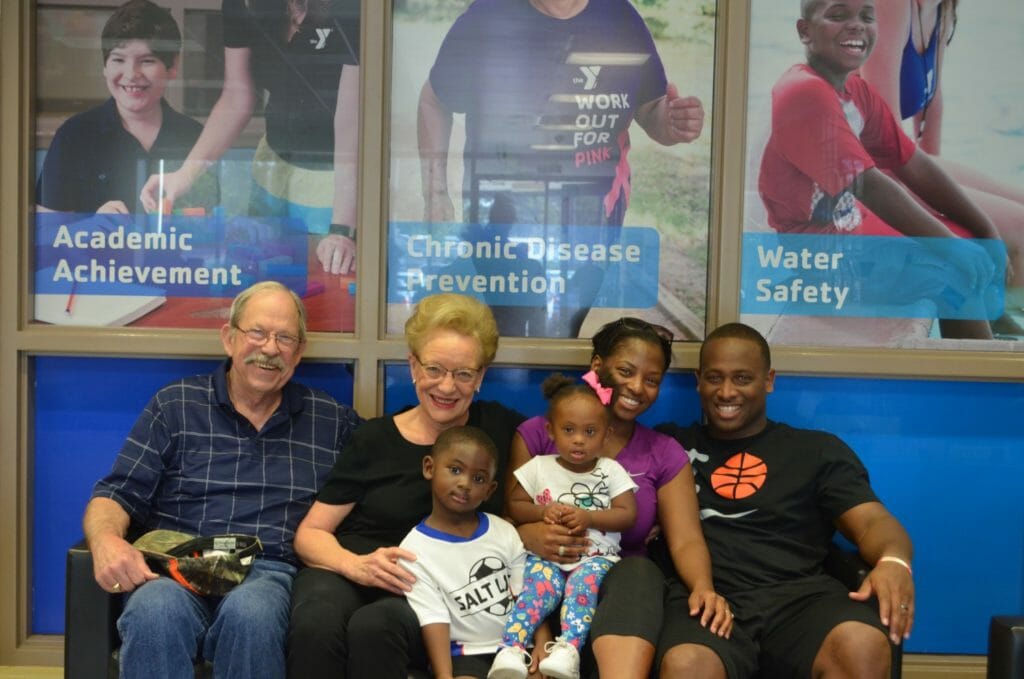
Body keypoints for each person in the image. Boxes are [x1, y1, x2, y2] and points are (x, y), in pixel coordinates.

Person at [81, 280, 361, 678]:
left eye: (284, 338)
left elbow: (384, 458)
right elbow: (116, 493)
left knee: (253, 614)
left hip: (266, 570)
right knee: (152, 612)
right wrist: (106, 540)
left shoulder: (329, 419)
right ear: (229, 338)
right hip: (176, 566)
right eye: (258, 332)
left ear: (298, 353)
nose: (269, 348)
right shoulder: (175, 405)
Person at [417, 0, 705, 337]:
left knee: (562, 330)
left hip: (592, 219)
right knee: (512, 328)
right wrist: (435, 194)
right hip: (503, 217)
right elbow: (433, 101)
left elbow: (651, 109)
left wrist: (671, 123)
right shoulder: (487, 17)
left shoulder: (620, 18)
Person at [655, 321, 915, 678]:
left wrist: (894, 561)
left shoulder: (815, 450)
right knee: (687, 665)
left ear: (769, 380)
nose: (726, 391)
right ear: (699, 380)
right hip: (704, 601)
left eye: (743, 378)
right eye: (715, 378)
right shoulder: (668, 447)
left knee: (861, 644)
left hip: (798, 599)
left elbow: (872, 521)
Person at [288, 293, 526, 678]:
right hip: (353, 568)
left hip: (431, 588)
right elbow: (311, 534)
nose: (447, 387)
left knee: (377, 626)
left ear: (481, 376)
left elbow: (568, 452)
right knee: (316, 623)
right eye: (434, 369)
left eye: (463, 373)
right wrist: (357, 566)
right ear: (413, 366)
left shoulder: (501, 431)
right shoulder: (375, 439)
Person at [758, 0, 1013, 340]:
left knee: (965, 246)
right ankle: (983, 383)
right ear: (805, 31)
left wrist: (986, 229)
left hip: (848, 237)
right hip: (819, 261)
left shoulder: (855, 91)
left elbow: (914, 164)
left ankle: (991, 347)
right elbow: (870, 186)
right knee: (953, 274)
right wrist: (954, 249)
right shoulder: (804, 92)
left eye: (866, 17)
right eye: (837, 16)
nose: (856, 25)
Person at [510, 318, 732, 679]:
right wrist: (527, 534)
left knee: (639, 570)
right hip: (539, 587)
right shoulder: (540, 433)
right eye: (625, 371)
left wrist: (703, 587)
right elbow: (507, 519)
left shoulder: (662, 452)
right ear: (597, 366)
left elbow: (687, 538)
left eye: (652, 380)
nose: (637, 387)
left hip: (621, 599)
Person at [139, 0, 361, 276]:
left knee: (324, 288)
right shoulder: (242, 4)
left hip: (339, 179)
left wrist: (342, 228)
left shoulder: (351, 7)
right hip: (272, 168)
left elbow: (354, 117)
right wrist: (184, 174)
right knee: (263, 284)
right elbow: (237, 95)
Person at [859, 0, 1024, 334]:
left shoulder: (942, 6)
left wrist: (944, 192)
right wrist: (945, 204)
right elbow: (884, 144)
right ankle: (1000, 329)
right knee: (1019, 229)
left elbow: (932, 104)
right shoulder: (892, 5)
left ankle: (998, 319)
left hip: (899, 163)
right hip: (865, 174)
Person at [491, 373, 637, 679]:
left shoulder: (611, 470)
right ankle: (512, 649)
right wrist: (543, 512)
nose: (579, 439)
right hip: (545, 557)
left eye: (590, 431)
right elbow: (514, 505)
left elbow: (627, 514)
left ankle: (568, 651)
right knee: (537, 590)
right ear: (551, 431)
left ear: (606, 434)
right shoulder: (539, 466)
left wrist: (591, 517)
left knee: (580, 593)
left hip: (595, 559)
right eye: (569, 430)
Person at [36, 0, 216, 215]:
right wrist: (89, 227)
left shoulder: (195, 137)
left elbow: (212, 221)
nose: (131, 74)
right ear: (105, 66)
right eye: (118, 59)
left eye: (147, 61)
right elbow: (45, 224)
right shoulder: (75, 135)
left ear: (173, 66)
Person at [400, 426, 527, 679]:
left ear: (490, 490)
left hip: (518, 648)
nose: (464, 484)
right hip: (466, 656)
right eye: (455, 470)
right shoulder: (413, 551)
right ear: (429, 468)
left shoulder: (503, 531)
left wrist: (539, 650)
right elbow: (433, 620)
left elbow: (530, 597)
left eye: (478, 479)